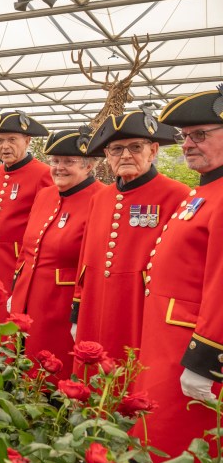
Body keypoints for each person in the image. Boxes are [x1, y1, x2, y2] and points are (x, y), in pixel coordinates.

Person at [132, 89, 223, 463]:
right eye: (185, 136)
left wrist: (207, 358)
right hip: (168, 339)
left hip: (190, 346)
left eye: (200, 134)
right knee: (157, 434)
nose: (187, 144)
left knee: (181, 446)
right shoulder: (207, 190)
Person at [72, 111, 189, 377]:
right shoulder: (101, 198)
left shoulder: (177, 195)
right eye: (116, 149)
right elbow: (85, 256)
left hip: (141, 305)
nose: (125, 155)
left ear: (153, 150)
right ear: (107, 155)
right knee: (92, 377)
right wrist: (77, 306)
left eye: (135, 147)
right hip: (96, 301)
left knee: (134, 375)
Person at [9, 129, 103, 380]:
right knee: (17, 361)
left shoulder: (102, 199)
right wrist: (15, 286)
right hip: (26, 295)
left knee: (50, 370)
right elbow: (28, 245)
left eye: (69, 162)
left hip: (60, 303)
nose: (59, 167)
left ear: (89, 165)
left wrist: (79, 310)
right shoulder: (45, 194)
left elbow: (95, 262)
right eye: (55, 161)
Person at [0, 111, 53, 317]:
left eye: (11, 140)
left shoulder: (43, 173)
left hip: (22, 261)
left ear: (27, 140)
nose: (4, 146)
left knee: (16, 319)